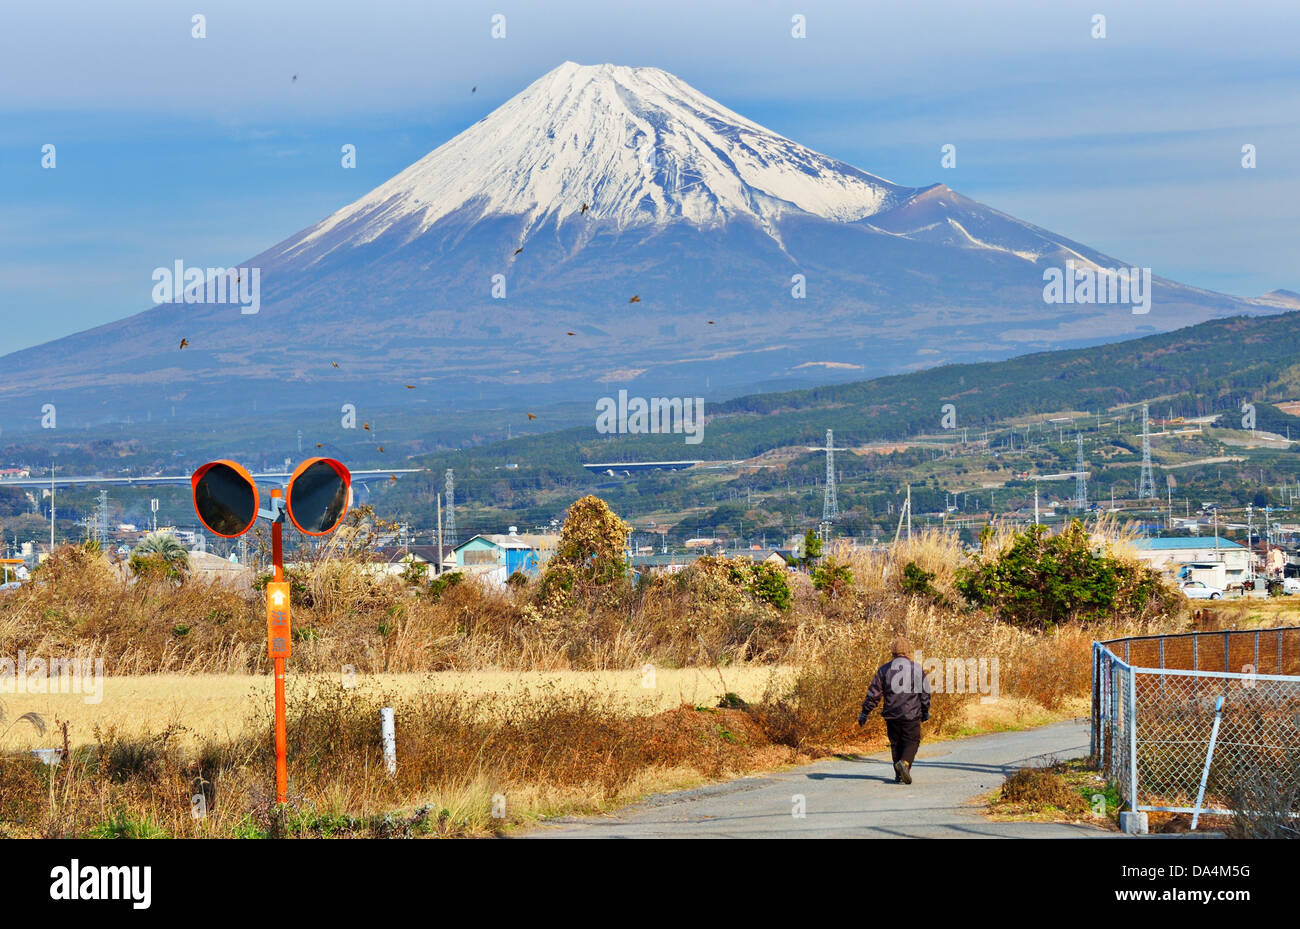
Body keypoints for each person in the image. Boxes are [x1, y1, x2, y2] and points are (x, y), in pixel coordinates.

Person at [857, 635, 930, 784]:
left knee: (896, 743)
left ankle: (899, 774)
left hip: (891, 714)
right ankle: (904, 764)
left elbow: (874, 693)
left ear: (893, 652)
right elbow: (924, 692)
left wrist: (865, 712)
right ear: (908, 651)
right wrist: (925, 710)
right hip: (911, 713)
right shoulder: (916, 668)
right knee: (912, 742)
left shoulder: (884, 670)